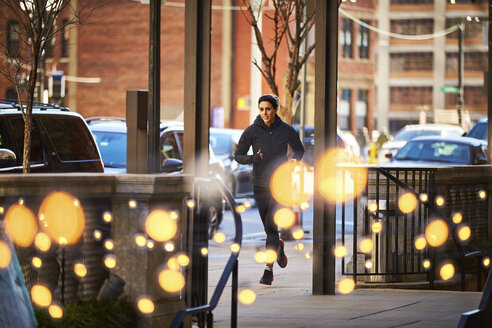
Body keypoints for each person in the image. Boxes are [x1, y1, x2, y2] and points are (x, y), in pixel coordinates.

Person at [234, 94, 304, 285]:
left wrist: (292, 163)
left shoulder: (286, 130)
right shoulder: (252, 131)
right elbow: (238, 155)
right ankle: (278, 247)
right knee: (269, 228)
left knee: (271, 226)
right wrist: (253, 159)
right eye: (261, 109)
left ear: (275, 110)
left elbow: (299, 150)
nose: (265, 112)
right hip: (260, 185)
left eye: (268, 109)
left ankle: (268, 270)